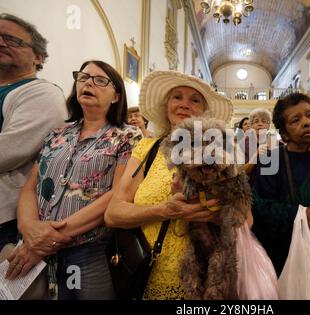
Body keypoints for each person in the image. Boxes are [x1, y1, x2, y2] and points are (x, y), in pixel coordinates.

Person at [6, 60, 142, 300]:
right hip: (30, 248)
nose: (88, 82)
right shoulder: (57, 133)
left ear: (116, 96)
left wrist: (46, 240)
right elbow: (30, 188)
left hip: (86, 253)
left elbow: (118, 195)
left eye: (100, 80)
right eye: (83, 77)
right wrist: (29, 231)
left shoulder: (127, 136)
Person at [104, 70, 234, 300]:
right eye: (177, 97)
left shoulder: (219, 153)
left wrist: (209, 213)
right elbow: (113, 213)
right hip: (145, 272)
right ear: (167, 106)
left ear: (204, 111)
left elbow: (246, 219)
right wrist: (165, 210)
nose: (184, 104)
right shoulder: (147, 148)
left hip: (202, 279)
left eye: (195, 100)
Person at [251, 93, 310, 296]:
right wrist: (303, 215)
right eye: (296, 120)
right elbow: (260, 207)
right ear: (284, 133)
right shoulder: (271, 160)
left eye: (309, 115)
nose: (307, 123)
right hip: (286, 255)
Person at [0, 14, 66, 250]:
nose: (1, 43)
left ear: (38, 56)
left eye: (11, 39)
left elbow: (7, 153)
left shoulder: (42, 94)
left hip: (6, 219)